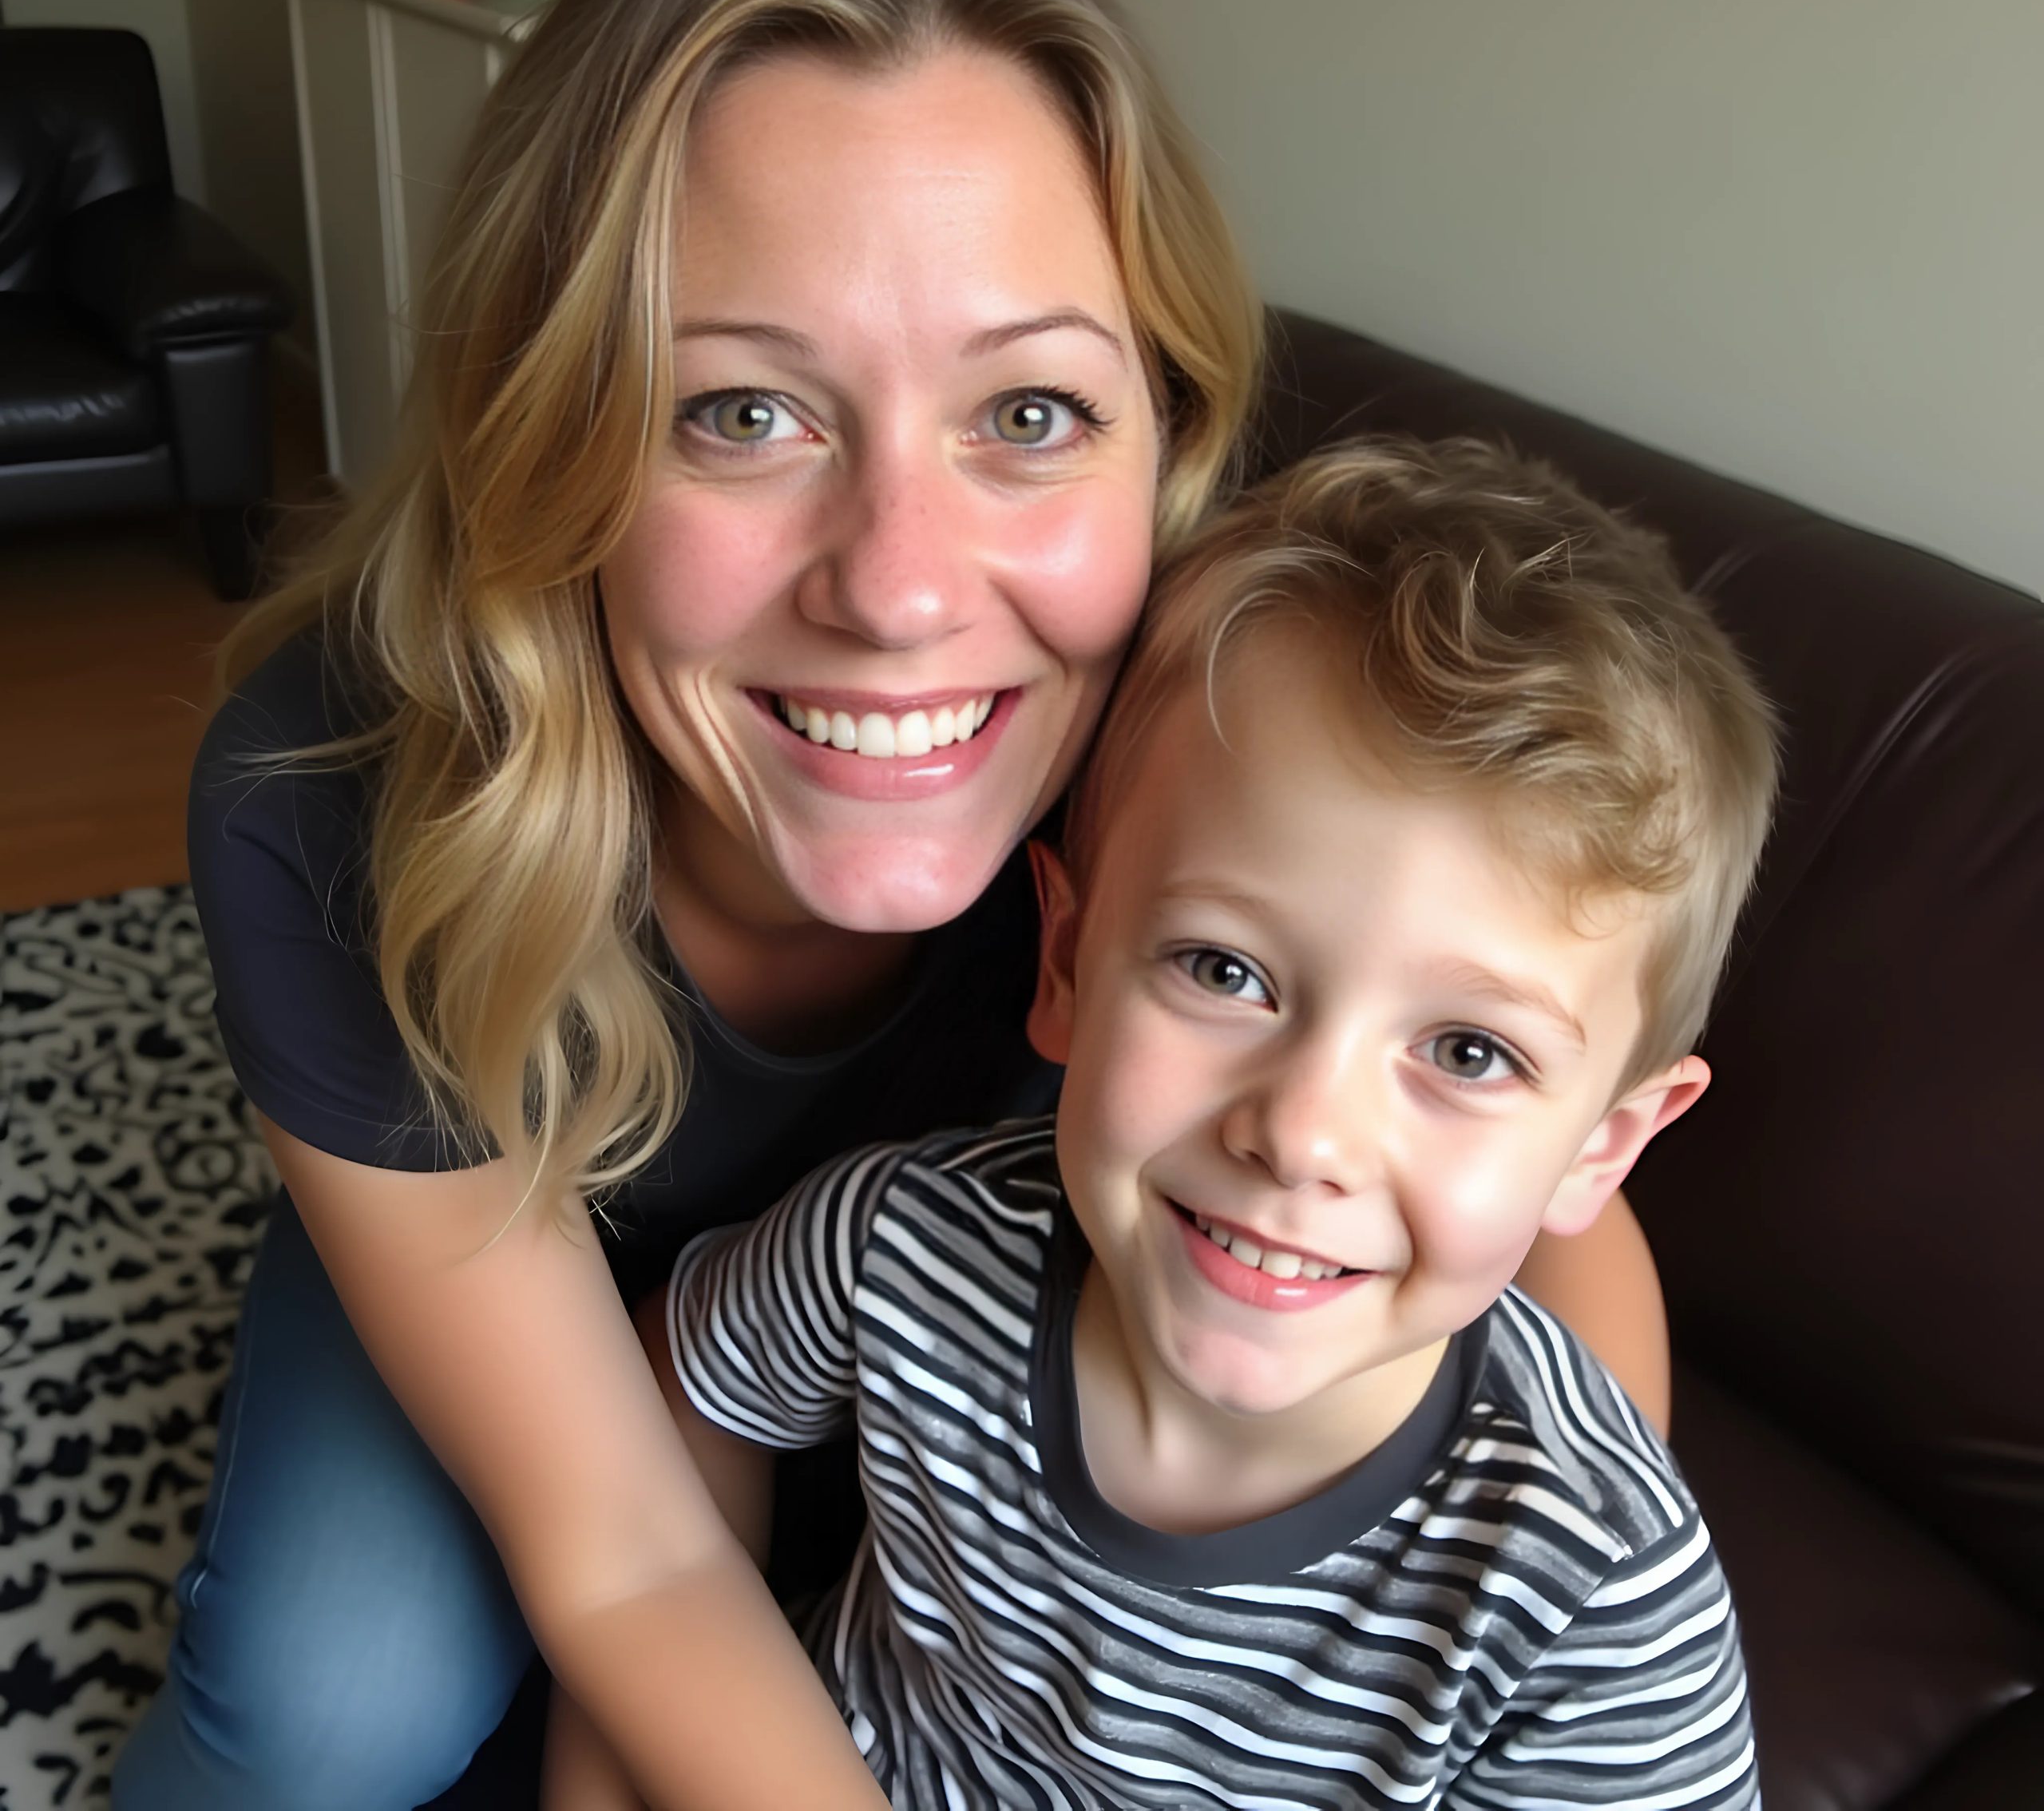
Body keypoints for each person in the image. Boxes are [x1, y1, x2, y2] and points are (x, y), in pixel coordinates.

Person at [116, 0, 1671, 1811]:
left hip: (927, 1289)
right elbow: (629, 1544)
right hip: (502, 1223)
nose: (901, 586)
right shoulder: (322, 795)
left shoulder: (1212, 702)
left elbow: (1545, 1202)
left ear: (1162, 437)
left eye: (1025, 414)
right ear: (547, 439)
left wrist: (1538, 1617)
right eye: (741, 412)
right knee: (323, 1710)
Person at [549, 438, 1774, 1809]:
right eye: (1224, 971)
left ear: (1603, 1145)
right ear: (1067, 963)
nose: (1302, 1136)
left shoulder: (1596, 1607)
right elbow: (686, 1397)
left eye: (1468, 1052)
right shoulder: (900, 1246)